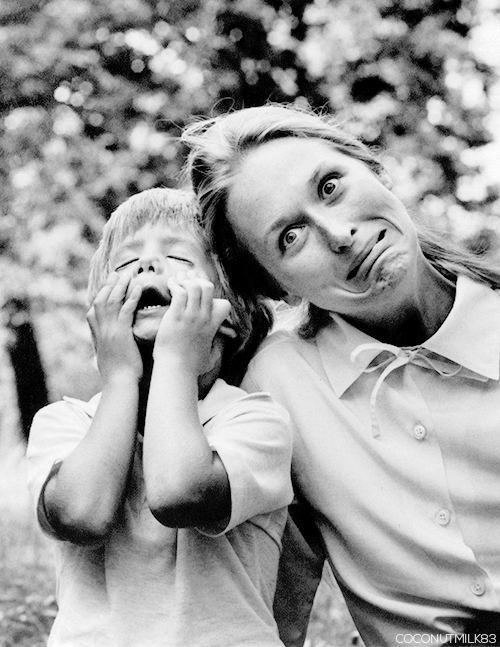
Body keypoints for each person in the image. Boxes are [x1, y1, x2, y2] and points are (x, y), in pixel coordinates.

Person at [182, 104, 500, 645]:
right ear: (273, 284)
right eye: (290, 236)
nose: (339, 235)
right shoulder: (278, 388)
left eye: (330, 187)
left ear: (372, 168)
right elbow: (274, 606)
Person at [26, 187, 293, 647]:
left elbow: (178, 493)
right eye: (127, 263)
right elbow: (82, 514)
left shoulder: (255, 421)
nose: (147, 265)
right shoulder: (65, 423)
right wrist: (120, 378)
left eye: (179, 258)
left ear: (230, 314)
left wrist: (175, 362)